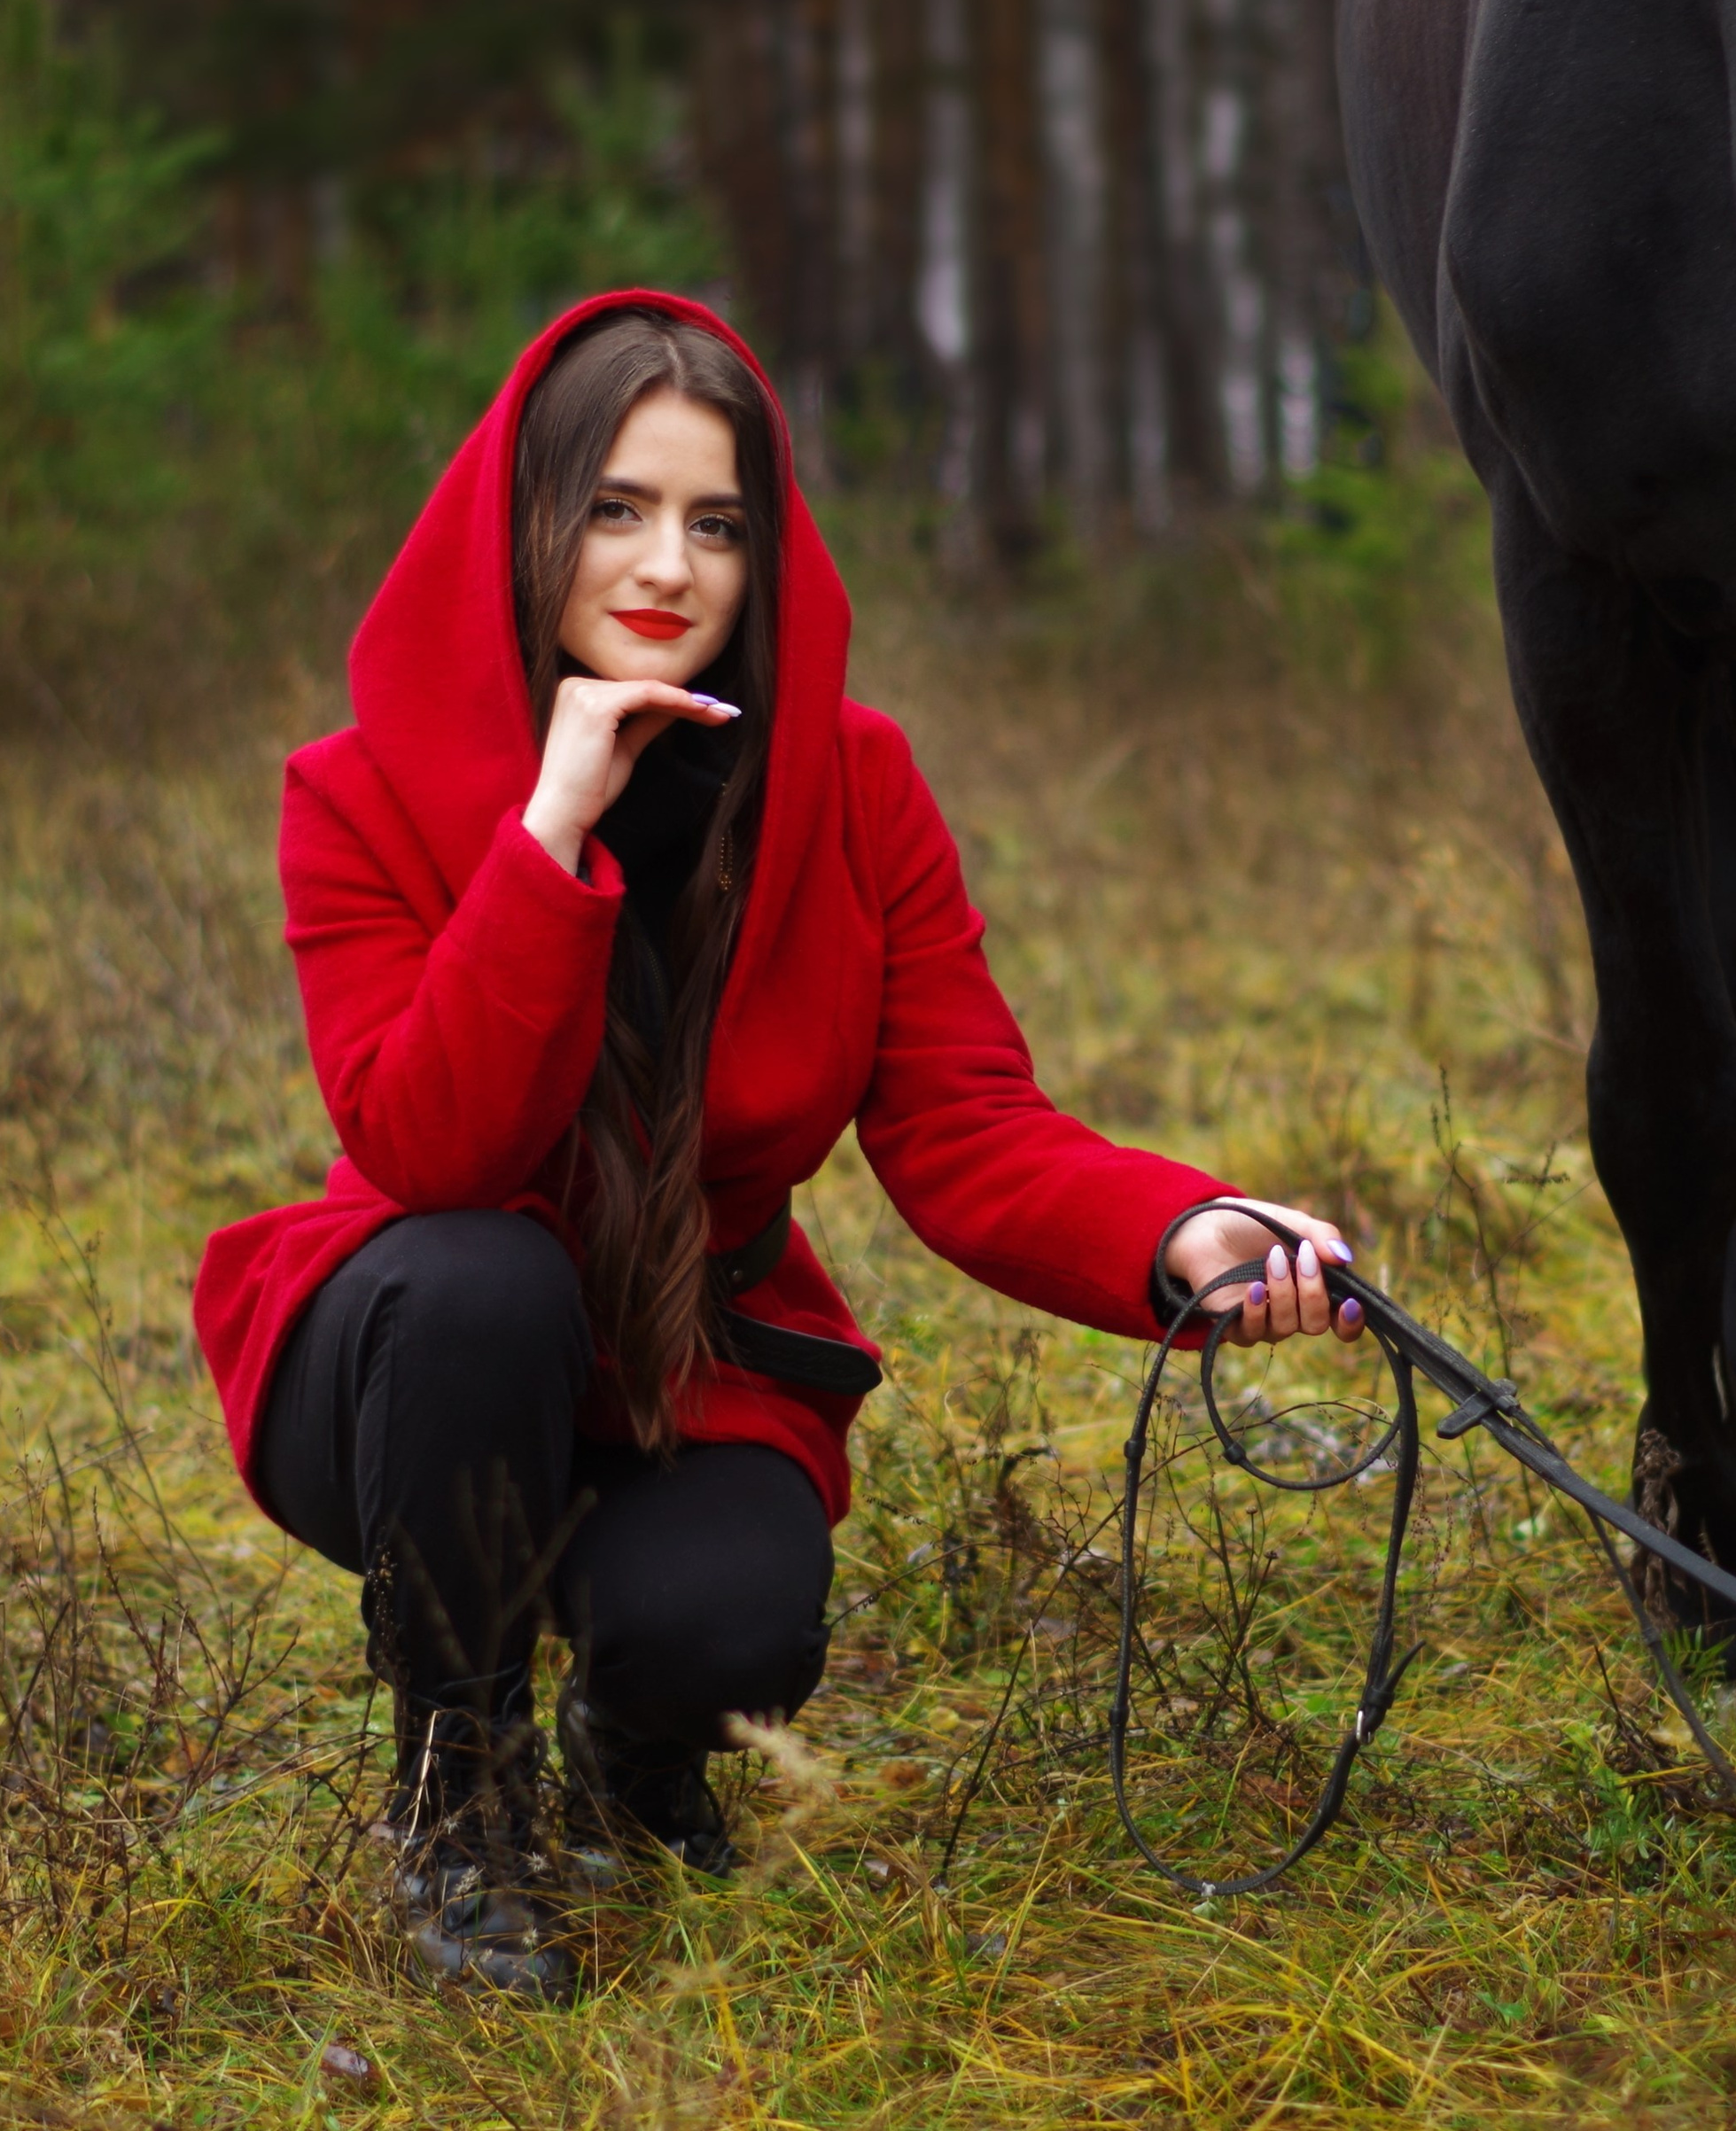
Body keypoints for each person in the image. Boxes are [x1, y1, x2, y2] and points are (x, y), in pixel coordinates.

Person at [194, 291, 1362, 2001]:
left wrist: (1185, 1234)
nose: (669, 565)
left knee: (733, 1637)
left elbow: (967, 1123)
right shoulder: (358, 790)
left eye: (719, 523)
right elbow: (435, 1151)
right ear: (527, 518)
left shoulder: (853, 784)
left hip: (690, 1357)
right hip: (409, 1366)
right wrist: (551, 826)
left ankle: (629, 1744)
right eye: (617, 507)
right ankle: (460, 1798)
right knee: (480, 1275)